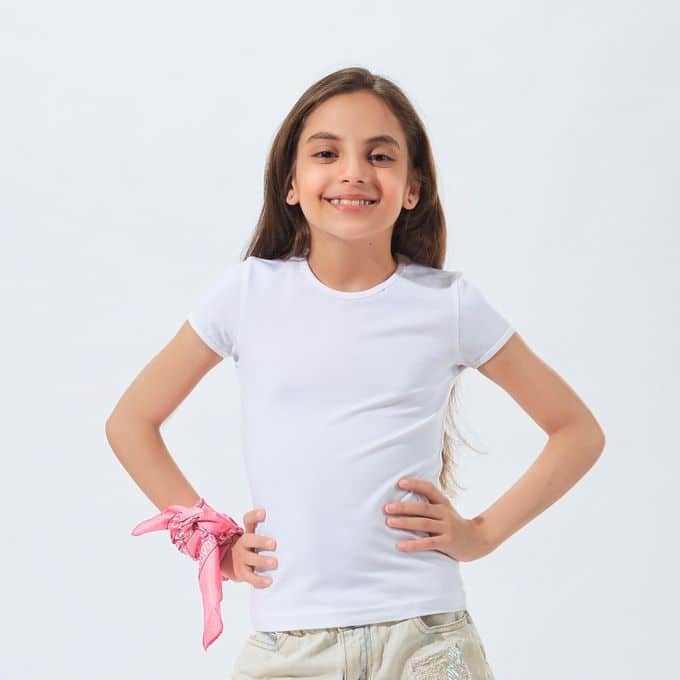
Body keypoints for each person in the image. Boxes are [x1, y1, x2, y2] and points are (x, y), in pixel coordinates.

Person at [106, 66, 605, 679]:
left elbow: (577, 432)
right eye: (326, 153)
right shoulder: (248, 295)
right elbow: (132, 422)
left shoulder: (447, 305)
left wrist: (480, 534)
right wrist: (213, 543)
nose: (354, 172)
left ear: (412, 188)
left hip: (426, 638)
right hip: (290, 644)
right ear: (291, 183)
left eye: (380, 155)